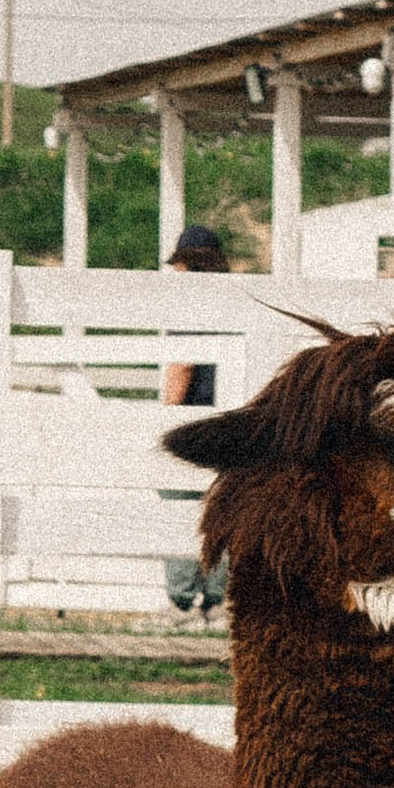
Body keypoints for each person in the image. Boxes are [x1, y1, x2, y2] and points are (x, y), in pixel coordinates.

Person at [160, 217, 231, 616]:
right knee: (218, 506)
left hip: (191, 416)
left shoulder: (189, 304)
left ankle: (183, 599)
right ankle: (217, 597)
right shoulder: (231, 301)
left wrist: (166, 415)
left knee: (176, 504)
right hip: (226, 417)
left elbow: (182, 366)